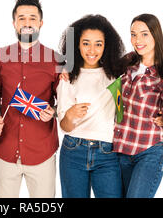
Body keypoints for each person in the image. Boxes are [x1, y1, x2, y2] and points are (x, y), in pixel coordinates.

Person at [113, 13, 163, 198]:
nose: (137, 40)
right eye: (133, 34)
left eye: (144, 34)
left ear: (156, 35)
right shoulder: (128, 62)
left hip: (149, 151)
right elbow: (103, 75)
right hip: (120, 149)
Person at [0, 0, 61, 198]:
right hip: (5, 149)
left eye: (32, 17)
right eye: (21, 18)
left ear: (41, 23)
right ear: (14, 23)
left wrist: (52, 112)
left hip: (42, 151)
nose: (27, 23)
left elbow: (63, 102)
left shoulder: (56, 60)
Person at [57, 14, 124, 198]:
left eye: (98, 44)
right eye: (86, 43)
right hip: (73, 150)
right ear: (77, 45)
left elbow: (121, 114)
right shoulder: (68, 77)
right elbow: (64, 127)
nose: (92, 50)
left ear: (106, 46)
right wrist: (69, 116)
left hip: (108, 152)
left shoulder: (116, 76)